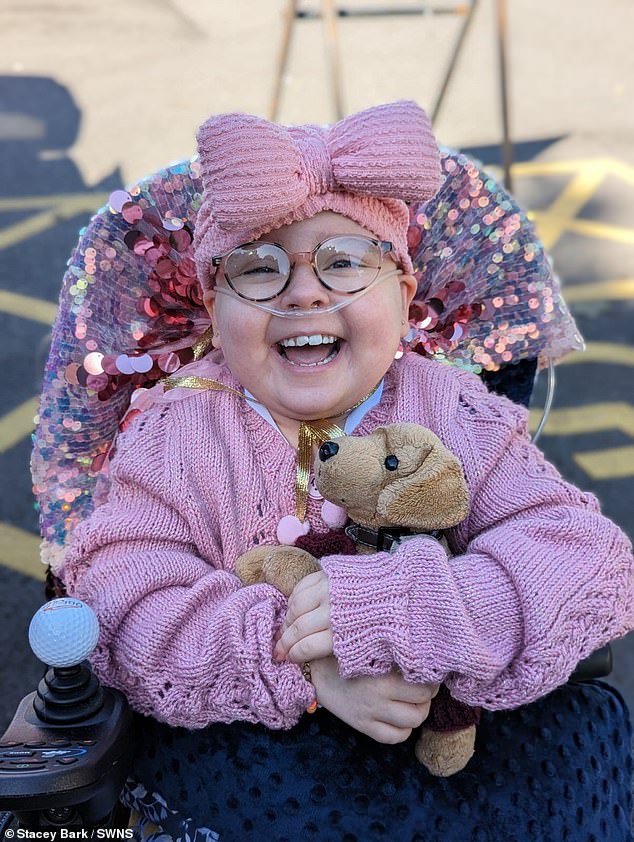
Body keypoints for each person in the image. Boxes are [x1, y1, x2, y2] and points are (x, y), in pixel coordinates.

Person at [62, 101, 634, 839]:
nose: (305, 292)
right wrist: (303, 656)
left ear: (402, 294)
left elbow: (584, 558)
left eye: (343, 262)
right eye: (258, 269)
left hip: (456, 732)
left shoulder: (451, 405)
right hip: (255, 744)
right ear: (211, 303)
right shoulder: (178, 431)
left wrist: (416, 614)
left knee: (581, 737)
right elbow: (121, 595)